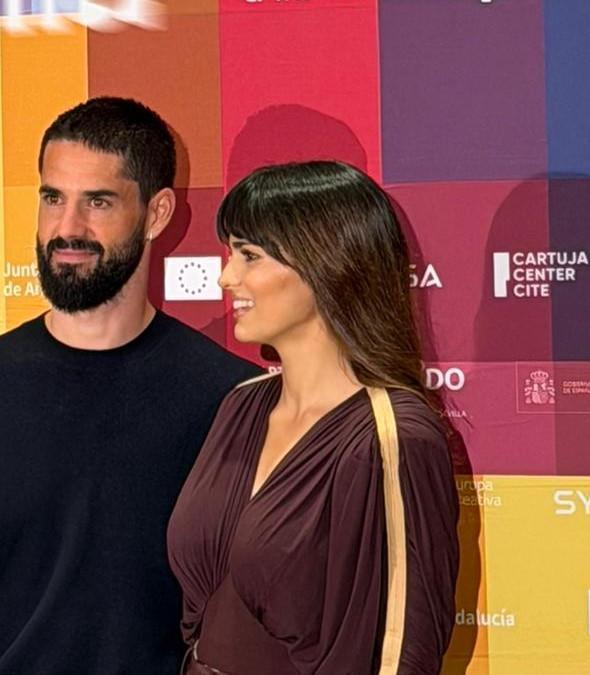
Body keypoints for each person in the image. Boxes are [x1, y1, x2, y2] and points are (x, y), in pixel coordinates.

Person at [0, 97, 262, 674]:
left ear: (156, 214)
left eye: (97, 202)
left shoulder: (231, 400)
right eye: (52, 198)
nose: (67, 228)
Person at [167, 161, 460, 674]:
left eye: (249, 256)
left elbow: (406, 649)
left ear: (328, 262)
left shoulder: (392, 435)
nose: (225, 276)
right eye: (230, 253)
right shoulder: (241, 405)